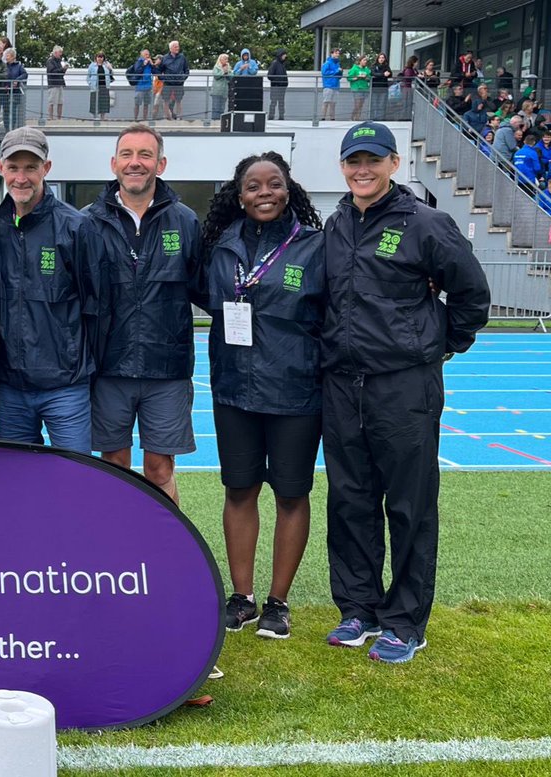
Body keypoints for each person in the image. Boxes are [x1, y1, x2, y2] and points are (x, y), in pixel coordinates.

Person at [322, 122, 490, 663]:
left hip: (404, 386)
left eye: (373, 160)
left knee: (410, 504)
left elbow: (471, 295)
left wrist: (439, 345)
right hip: (343, 385)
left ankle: (405, 622)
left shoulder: (427, 224)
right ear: (343, 166)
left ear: (395, 164)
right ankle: (359, 609)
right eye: (353, 161)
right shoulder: (336, 223)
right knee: (351, 499)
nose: (362, 170)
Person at [198, 151, 326, 639]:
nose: (264, 193)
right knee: (239, 490)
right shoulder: (219, 245)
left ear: (288, 188)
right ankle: (242, 596)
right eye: (253, 186)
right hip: (234, 388)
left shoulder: (315, 246)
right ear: (239, 194)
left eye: (274, 184)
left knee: (292, 494)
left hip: (296, 390)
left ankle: (278, 601)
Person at [88, 125, 202, 505]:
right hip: (108, 366)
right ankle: (117, 548)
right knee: (114, 464)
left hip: (166, 369)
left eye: (145, 155)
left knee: (159, 468)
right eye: (127, 154)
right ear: (114, 163)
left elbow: (203, 287)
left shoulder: (185, 221)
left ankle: (165, 549)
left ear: (161, 163)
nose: (135, 163)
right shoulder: (87, 222)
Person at [0, 127, 96, 453]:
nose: (21, 178)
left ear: (46, 169)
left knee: (77, 480)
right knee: (12, 483)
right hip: (9, 388)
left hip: (66, 388)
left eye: (31, 167)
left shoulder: (76, 227)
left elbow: (97, 305)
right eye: (14, 167)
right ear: (1, 169)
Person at [160, 41, 189, 120]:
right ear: (171, 48)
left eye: (178, 46)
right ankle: (167, 117)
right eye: (176, 47)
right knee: (166, 100)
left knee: (178, 100)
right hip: (168, 83)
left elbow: (186, 70)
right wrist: (163, 78)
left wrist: (183, 78)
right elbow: (159, 70)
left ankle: (179, 117)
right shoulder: (165, 58)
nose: (177, 48)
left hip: (179, 83)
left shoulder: (182, 57)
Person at [2, 48, 28, 131]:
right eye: (5, 55)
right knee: (6, 111)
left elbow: (25, 74)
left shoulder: (19, 66)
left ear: (13, 56)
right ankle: (7, 129)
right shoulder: (4, 66)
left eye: (8, 55)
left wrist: (17, 80)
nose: (6, 57)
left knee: (13, 111)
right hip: (5, 92)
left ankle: (12, 128)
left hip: (15, 92)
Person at [129, 50, 157, 123]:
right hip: (140, 86)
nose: (147, 56)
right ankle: (135, 119)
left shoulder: (150, 63)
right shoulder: (139, 62)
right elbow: (137, 71)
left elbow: (155, 72)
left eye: (148, 54)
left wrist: (152, 64)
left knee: (146, 104)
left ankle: (145, 119)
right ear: (142, 55)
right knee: (137, 103)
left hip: (148, 86)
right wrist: (143, 65)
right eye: (146, 54)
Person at [87, 51, 114, 120]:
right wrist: (90, 84)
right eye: (98, 56)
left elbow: (111, 74)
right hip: (95, 86)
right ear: (96, 57)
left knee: (103, 102)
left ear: (103, 58)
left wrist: (110, 68)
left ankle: (103, 117)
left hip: (104, 86)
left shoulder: (106, 65)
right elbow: (88, 76)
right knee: (94, 102)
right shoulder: (92, 65)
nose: (100, 58)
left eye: (101, 57)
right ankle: (95, 117)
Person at [320, 48, 342, 121]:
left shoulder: (338, 63)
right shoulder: (327, 63)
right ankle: (323, 118)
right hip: (328, 85)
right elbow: (324, 73)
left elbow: (339, 76)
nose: (337, 55)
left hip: (336, 85)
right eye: (336, 53)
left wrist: (340, 72)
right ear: (332, 54)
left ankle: (332, 119)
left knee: (333, 104)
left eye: (338, 53)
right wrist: (336, 71)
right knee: (326, 102)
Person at [370, 53, 392, 121]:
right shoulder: (374, 66)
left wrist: (388, 74)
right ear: (377, 58)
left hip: (384, 88)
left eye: (383, 58)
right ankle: (374, 119)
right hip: (375, 88)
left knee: (382, 105)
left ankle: (380, 119)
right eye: (380, 58)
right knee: (374, 105)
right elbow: (373, 73)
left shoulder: (386, 66)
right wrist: (383, 74)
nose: (381, 59)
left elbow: (390, 73)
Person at [267, 49, 288, 120]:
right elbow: (269, 75)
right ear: (280, 55)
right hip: (275, 87)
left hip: (282, 88)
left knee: (281, 103)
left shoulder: (283, 64)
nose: (285, 56)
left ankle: (281, 117)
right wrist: (278, 81)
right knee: (274, 102)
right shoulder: (275, 63)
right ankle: (271, 117)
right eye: (284, 54)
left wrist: (285, 83)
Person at [210, 53, 232, 121]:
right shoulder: (216, 67)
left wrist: (227, 72)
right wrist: (223, 72)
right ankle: (214, 121)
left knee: (222, 108)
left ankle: (220, 122)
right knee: (216, 108)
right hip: (216, 91)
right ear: (220, 59)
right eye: (225, 59)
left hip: (224, 91)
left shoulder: (228, 67)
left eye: (227, 59)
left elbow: (231, 77)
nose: (227, 60)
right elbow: (216, 76)